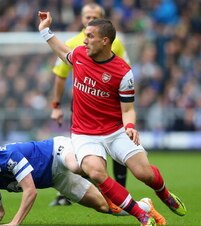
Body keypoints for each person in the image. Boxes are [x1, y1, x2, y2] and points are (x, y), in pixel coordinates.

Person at [38, 12, 186, 226]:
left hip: (115, 131)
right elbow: (63, 52)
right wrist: (45, 30)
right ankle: (141, 215)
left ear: (105, 41)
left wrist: (130, 126)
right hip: (84, 133)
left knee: (143, 173)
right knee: (96, 172)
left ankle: (164, 195)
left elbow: (127, 109)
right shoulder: (80, 55)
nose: (84, 40)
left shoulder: (123, 72)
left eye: (89, 36)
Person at [0, 136, 166, 225]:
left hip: (57, 151)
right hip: (56, 179)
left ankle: (100, 150)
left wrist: (15, 223)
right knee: (105, 208)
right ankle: (145, 206)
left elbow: (30, 191)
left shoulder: (8, 156)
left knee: (77, 167)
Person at [49, 2, 129, 207]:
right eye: (87, 17)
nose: (90, 20)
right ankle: (73, 192)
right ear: (82, 19)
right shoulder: (74, 43)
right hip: (83, 106)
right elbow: (60, 75)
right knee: (81, 153)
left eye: (95, 17)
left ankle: (121, 192)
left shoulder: (115, 43)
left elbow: (125, 71)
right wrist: (56, 105)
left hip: (110, 105)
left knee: (118, 148)